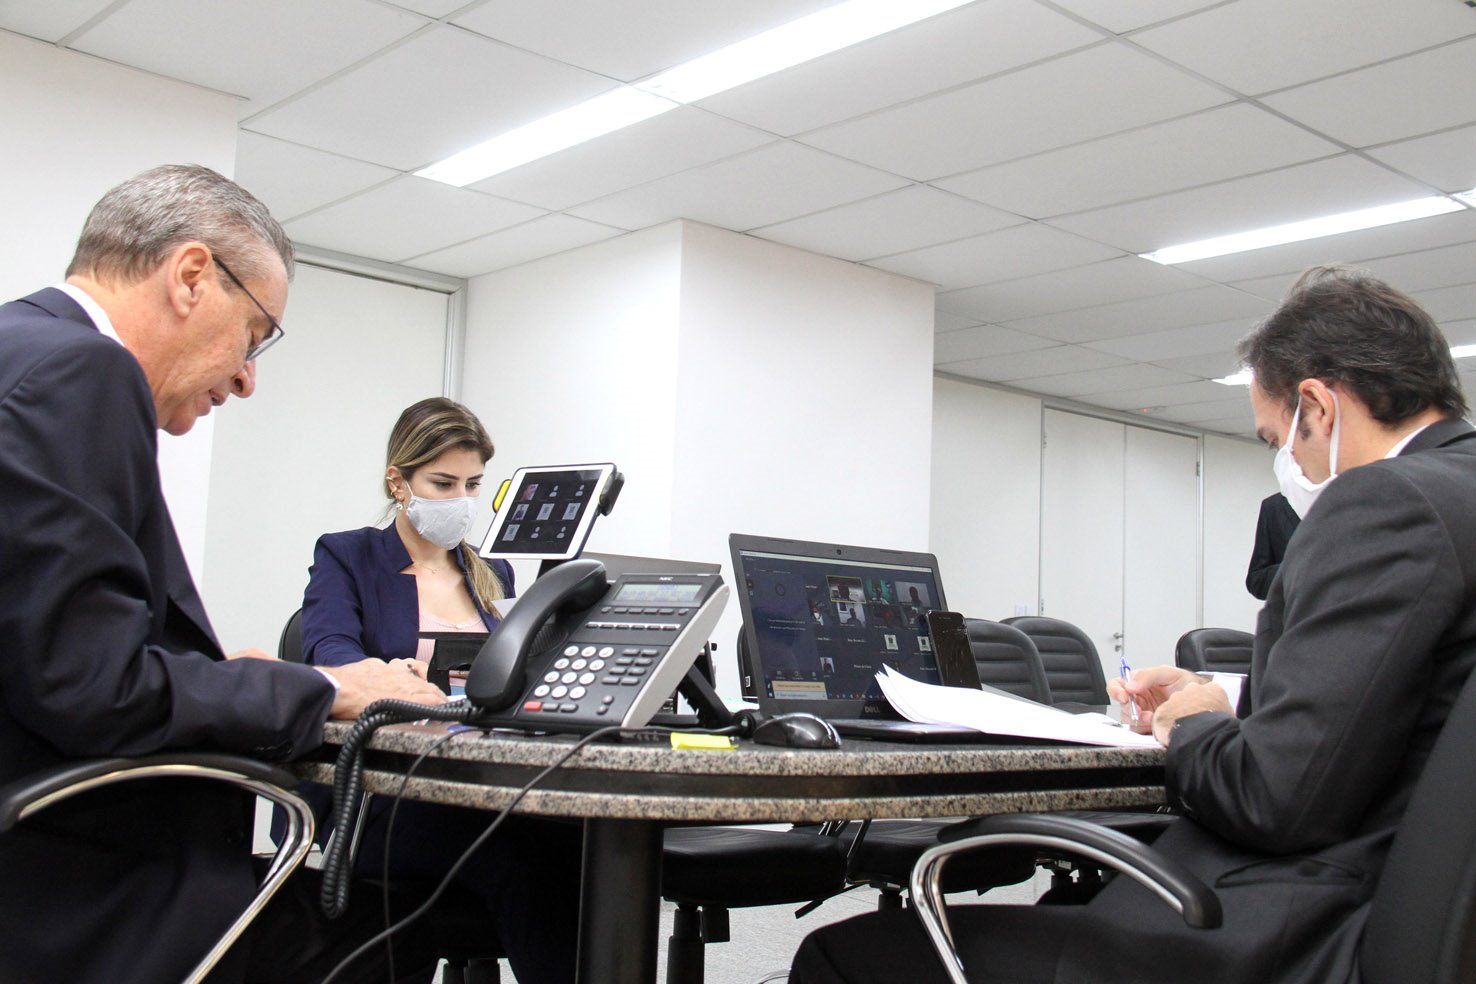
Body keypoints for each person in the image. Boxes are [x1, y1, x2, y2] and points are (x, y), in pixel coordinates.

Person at [789, 265, 1476, 984]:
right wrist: (1230, 694)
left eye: (1279, 439)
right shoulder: (1455, 494)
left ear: (1319, 407)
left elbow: (1272, 798)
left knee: (844, 958)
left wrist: (1196, 723)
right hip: (1409, 916)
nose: (1290, 463)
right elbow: (1409, 701)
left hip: (1296, 933)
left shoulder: (1385, 502)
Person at [0, 164, 448, 984]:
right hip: (73, 894)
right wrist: (319, 687)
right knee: (408, 926)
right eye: (255, 333)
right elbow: (96, 692)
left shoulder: (17, 351)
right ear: (191, 277)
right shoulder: (81, 371)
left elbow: (44, 648)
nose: (246, 377)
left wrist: (210, 674)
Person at [300, 397, 583, 984]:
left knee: (577, 839)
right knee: (526, 853)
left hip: (482, 783)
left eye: (473, 485)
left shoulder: (492, 574)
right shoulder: (348, 555)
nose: (461, 500)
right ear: (398, 482)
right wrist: (381, 675)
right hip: (383, 792)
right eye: (443, 483)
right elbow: (328, 651)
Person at [1244, 491, 1300, 600]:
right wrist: (1291, 569)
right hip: (1291, 608)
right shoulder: (1274, 507)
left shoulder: (1336, 504)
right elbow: (1256, 581)